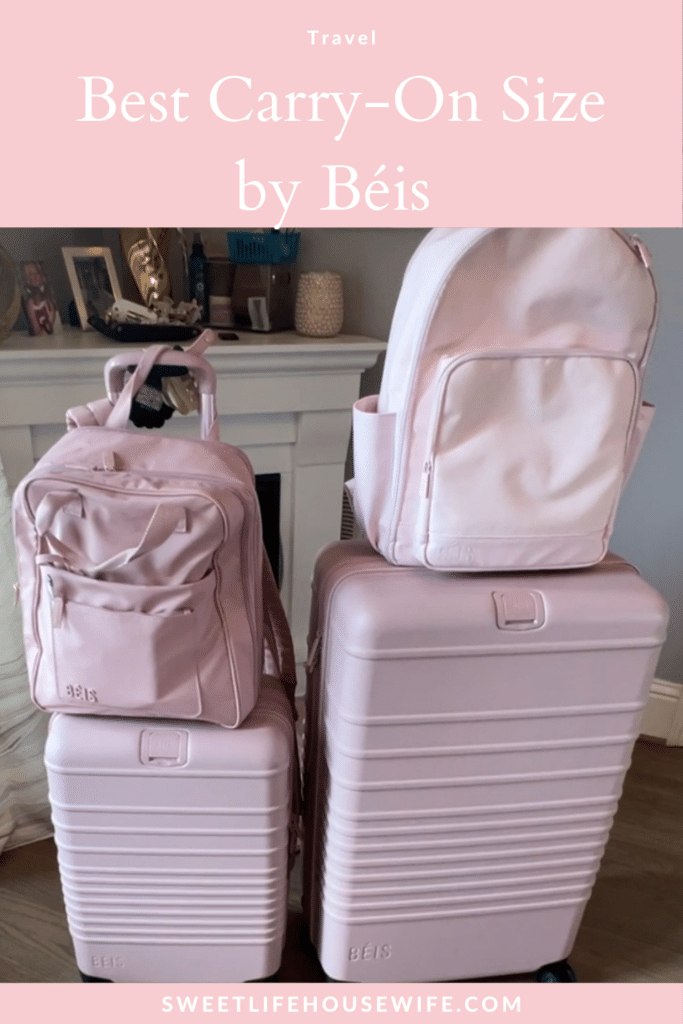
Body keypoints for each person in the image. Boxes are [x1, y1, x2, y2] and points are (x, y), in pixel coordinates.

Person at [22, 261, 57, 335]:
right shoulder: (30, 302)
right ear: (27, 278)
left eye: (37, 272)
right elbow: (36, 329)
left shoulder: (49, 298)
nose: (35, 276)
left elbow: (52, 321)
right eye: (31, 274)